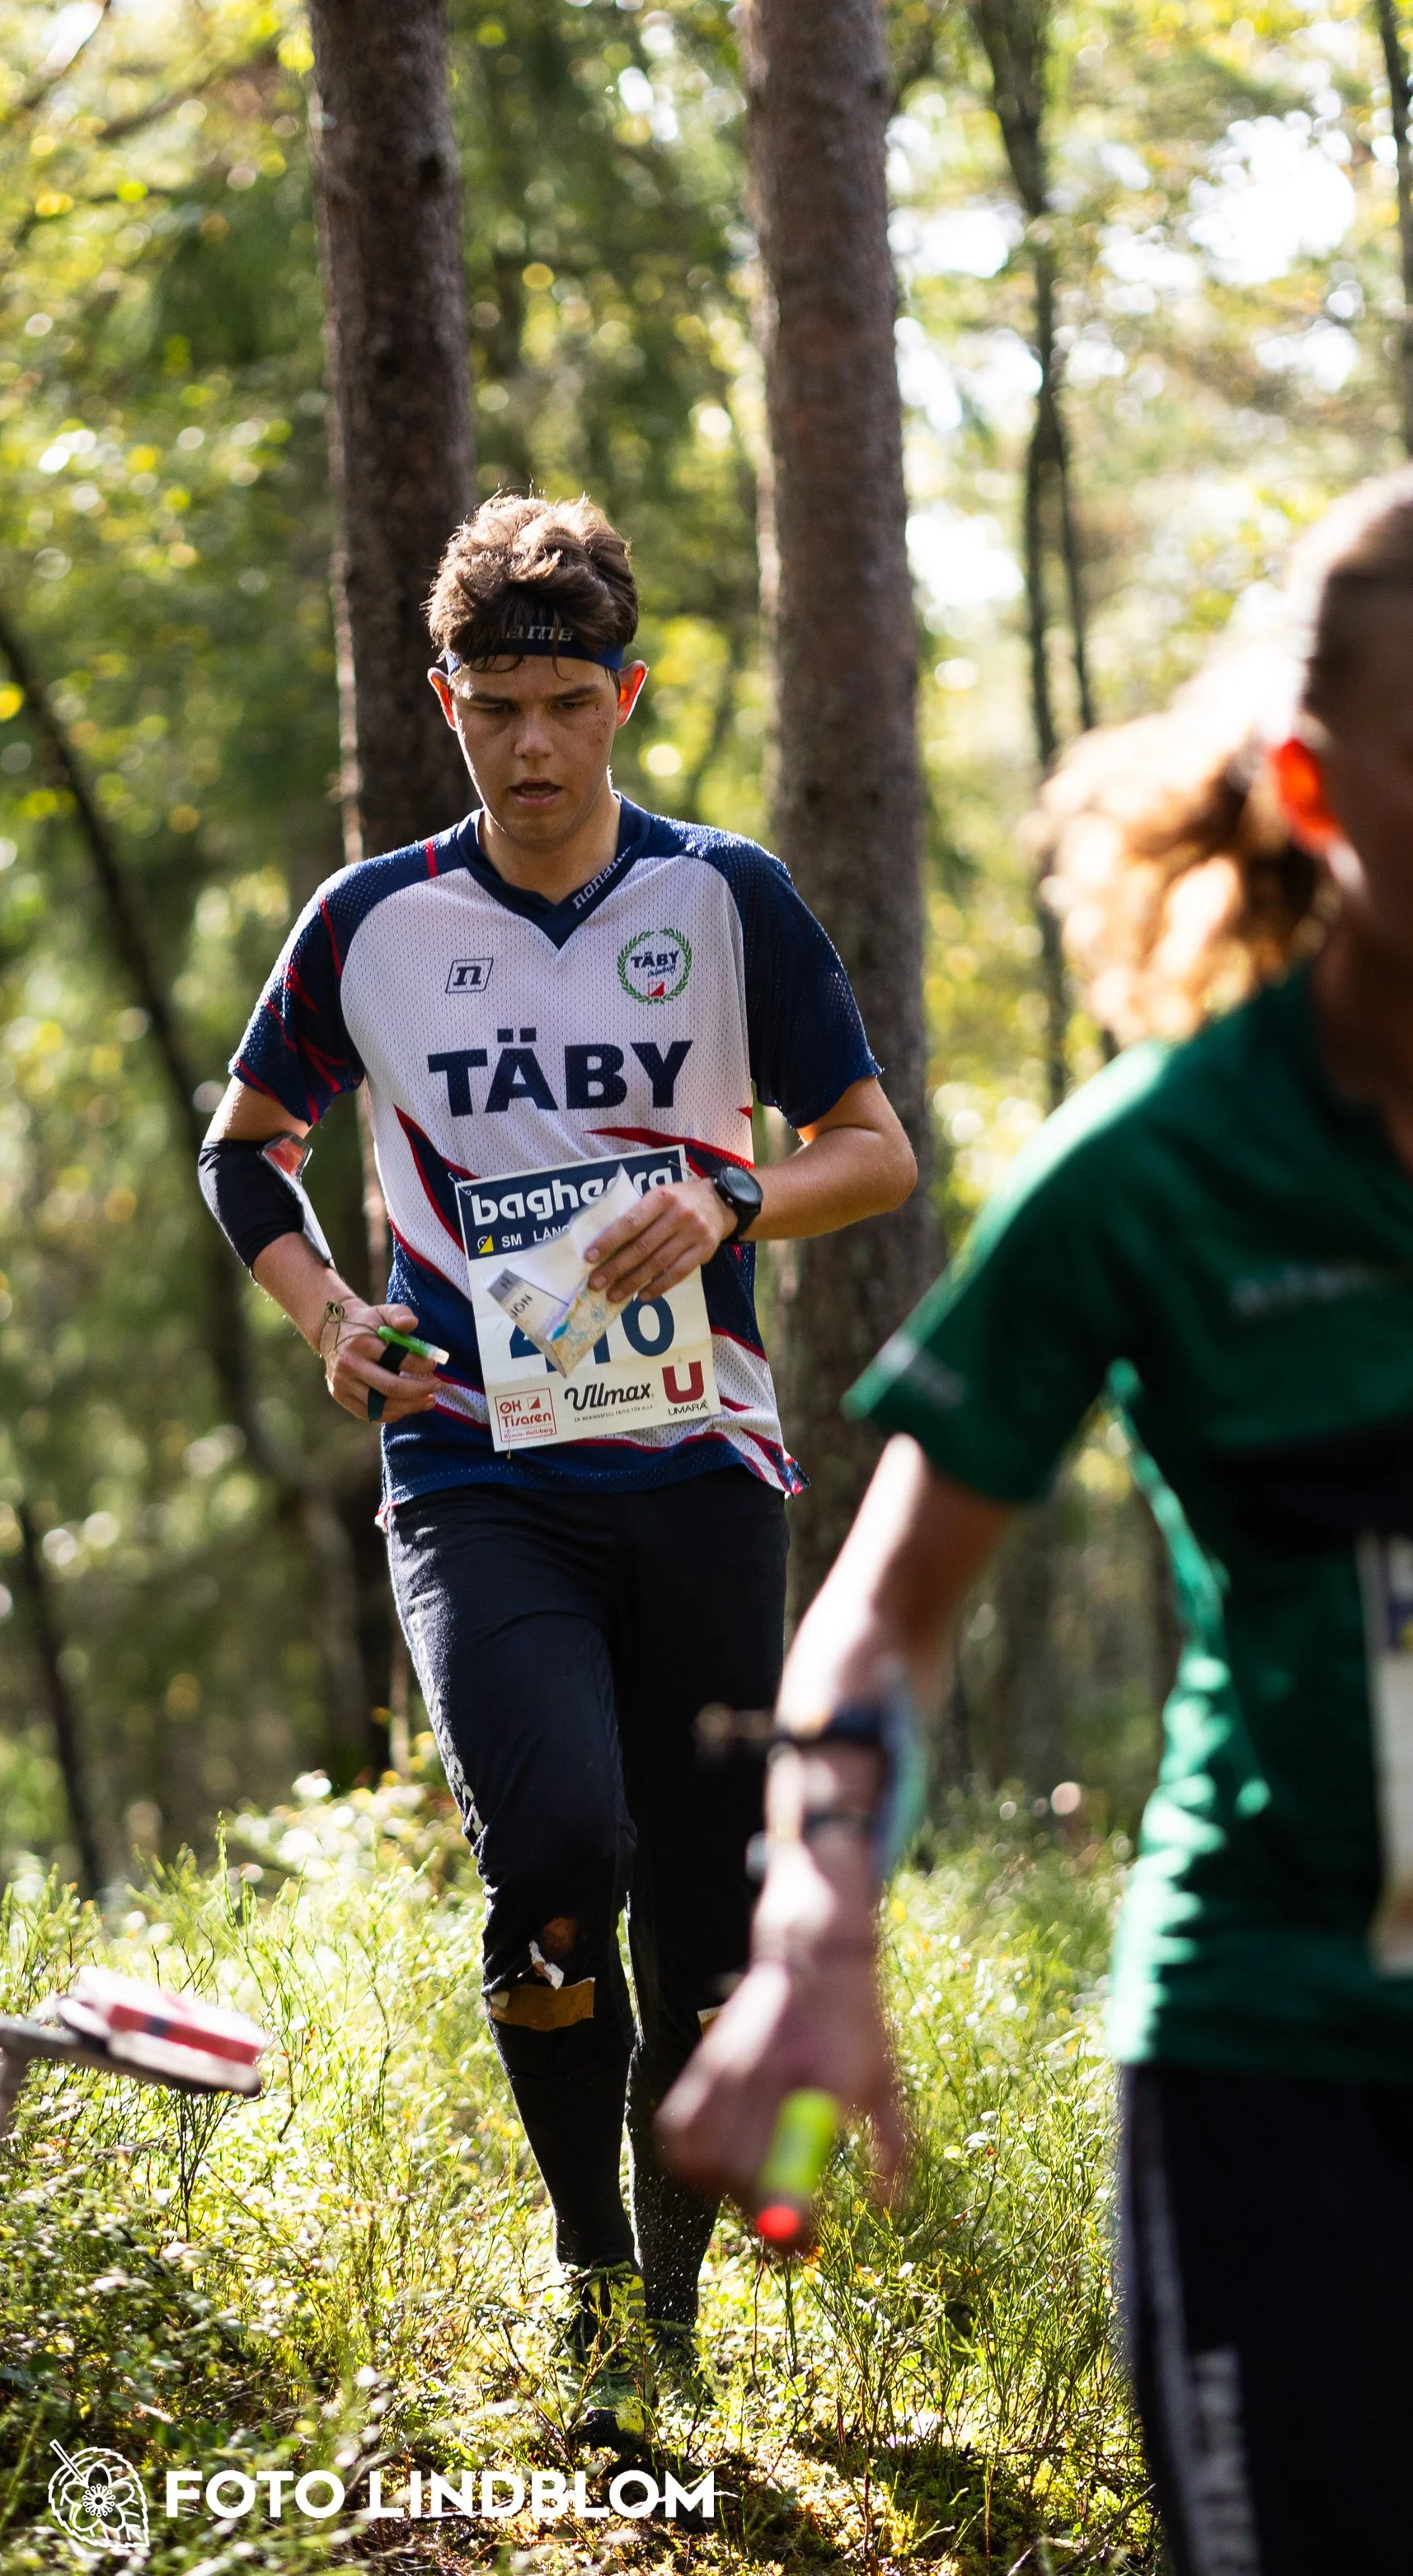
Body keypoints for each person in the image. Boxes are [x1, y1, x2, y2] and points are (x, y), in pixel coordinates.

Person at [660, 470, 1413, 2569]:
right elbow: (888, 1607)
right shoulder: (1154, 1173)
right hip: (1280, 2080)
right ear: (1309, 779)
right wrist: (812, 1932)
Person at [196, 493, 916, 2441]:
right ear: (442, 700)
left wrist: (724, 1196)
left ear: (626, 696)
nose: (527, 743)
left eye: (564, 703)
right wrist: (332, 1316)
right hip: (473, 1470)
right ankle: (588, 2269)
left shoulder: (724, 896)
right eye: (492, 704)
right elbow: (239, 1144)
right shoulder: (367, 922)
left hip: (694, 1463)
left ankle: (666, 2315)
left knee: (696, 1890)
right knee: (556, 1856)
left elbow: (877, 1147)